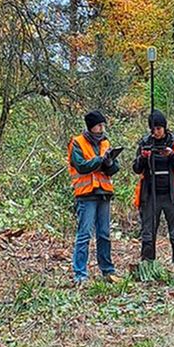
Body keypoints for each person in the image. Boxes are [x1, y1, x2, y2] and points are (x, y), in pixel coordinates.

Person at [133, 110, 174, 271]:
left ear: (164, 128)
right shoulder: (145, 143)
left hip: (171, 196)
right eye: (153, 129)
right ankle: (148, 265)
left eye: (158, 128)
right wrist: (143, 157)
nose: (156, 132)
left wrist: (172, 155)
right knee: (148, 233)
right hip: (150, 196)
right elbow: (136, 169)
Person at [68, 109, 120, 285]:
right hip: (86, 194)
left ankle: (108, 270)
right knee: (84, 235)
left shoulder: (105, 142)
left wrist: (109, 162)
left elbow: (114, 169)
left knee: (104, 234)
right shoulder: (77, 142)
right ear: (91, 127)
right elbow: (81, 166)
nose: (102, 127)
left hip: (104, 193)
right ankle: (80, 274)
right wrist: (100, 160)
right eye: (99, 125)